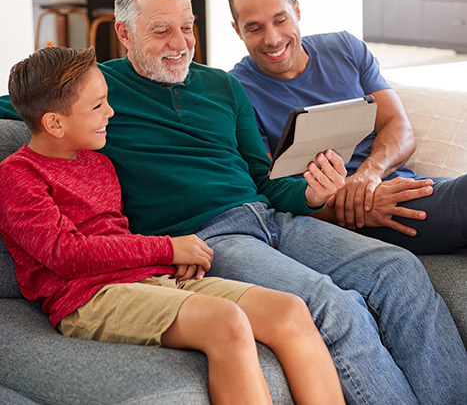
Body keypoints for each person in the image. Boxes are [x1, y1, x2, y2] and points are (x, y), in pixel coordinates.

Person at [0, 0, 466, 405]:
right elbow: (30, 107)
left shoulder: (223, 86)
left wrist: (310, 194)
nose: (180, 43)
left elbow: (263, 180)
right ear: (124, 33)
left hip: (270, 219)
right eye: (161, 30)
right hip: (207, 237)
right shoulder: (96, 92)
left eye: (187, 26)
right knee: (332, 306)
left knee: (399, 271)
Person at [0, 45, 346, 405]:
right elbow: (65, 253)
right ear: (55, 123)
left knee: (289, 311)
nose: (111, 112)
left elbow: (116, 236)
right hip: (86, 299)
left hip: (145, 278)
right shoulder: (18, 175)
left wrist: (166, 261)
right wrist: (167, 247)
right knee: (224, 320)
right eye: (98, 105)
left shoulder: (98, 163)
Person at [225, 0, 467, 255]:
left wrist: (369, 175)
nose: (273, 39)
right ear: (237, 31)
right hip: (352, 216)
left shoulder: (345, 49)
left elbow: (398, 126)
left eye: (280, 20)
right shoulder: (235, 91)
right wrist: (353, 206)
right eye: (255, 28)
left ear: (297, 10)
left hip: (396, 185)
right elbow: (267, 189)